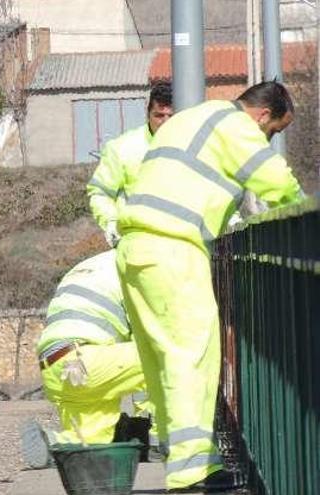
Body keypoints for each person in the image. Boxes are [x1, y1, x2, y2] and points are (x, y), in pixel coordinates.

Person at [115, 81, 304, 492]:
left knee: (163, 363)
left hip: (135, 250)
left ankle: (186, 461)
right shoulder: (233, 123)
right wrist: (302, 211)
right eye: (273, 134)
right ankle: (192, 475)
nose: (269, 142)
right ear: (262, 116)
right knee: (193, 357)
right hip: (172, 249)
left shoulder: (191, 118)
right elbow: (275, 181)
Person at [38, 250, 152, 446]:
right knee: (164, 355)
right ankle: (162, 439)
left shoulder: (88, 266)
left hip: (55, 368)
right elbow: (147, 341)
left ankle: (53, 443)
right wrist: (148, 423)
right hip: (87, 361)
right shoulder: (136, 266)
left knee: (87, 442)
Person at [87, 83, 174, 247]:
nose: (165, 122)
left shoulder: (195, 147)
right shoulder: (122, 148)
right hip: (137, 245)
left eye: (171, 116)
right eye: (159, 115)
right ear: (148, 114)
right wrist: (111, 222)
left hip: (184, 244)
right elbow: (100, 192)